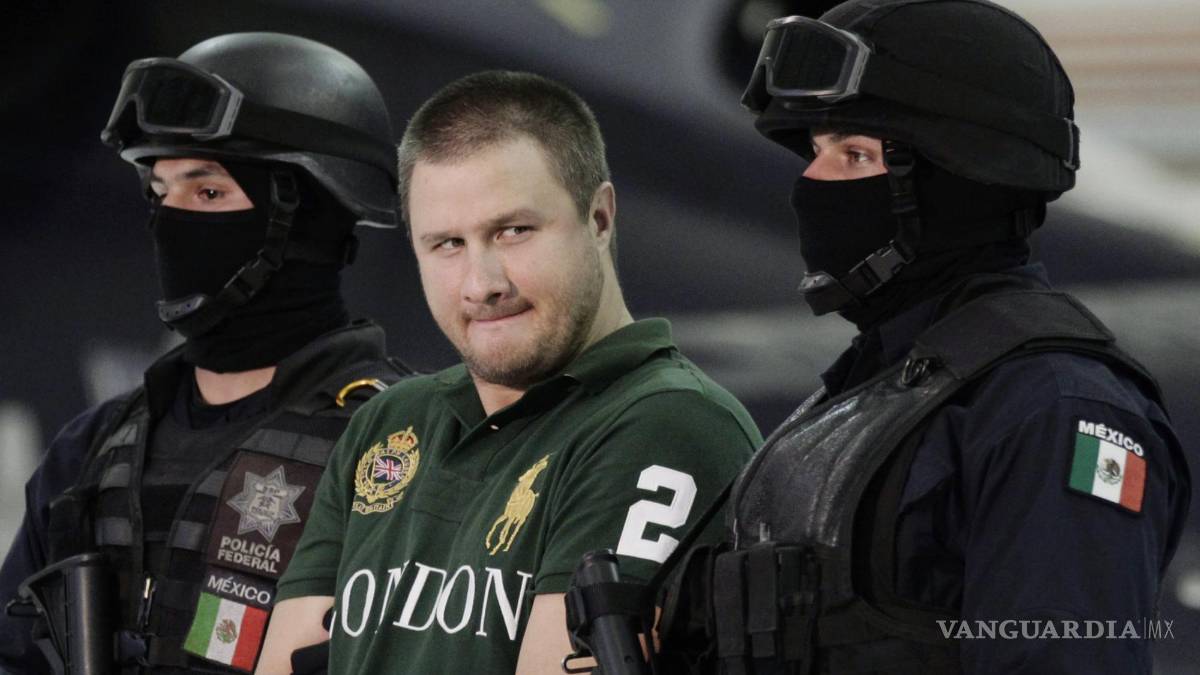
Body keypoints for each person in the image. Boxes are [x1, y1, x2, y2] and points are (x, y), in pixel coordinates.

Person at [652, 1, 1191, 674]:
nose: (811, 183)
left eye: (854, 154)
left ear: (958, 178)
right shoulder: (872, 389)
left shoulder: (1050, 408)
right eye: (817, 152)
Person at [256, 70, 762, 674]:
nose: (482, 284)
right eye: (447, 244)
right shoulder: (388, 421)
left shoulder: (669, 424)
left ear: (599, 218)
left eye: (513, 231)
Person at [0, 33, 412, 674]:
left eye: (208, 192)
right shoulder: (92, 451)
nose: (170, 221)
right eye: (159, 191)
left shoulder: (402, 444)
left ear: (308, 214)